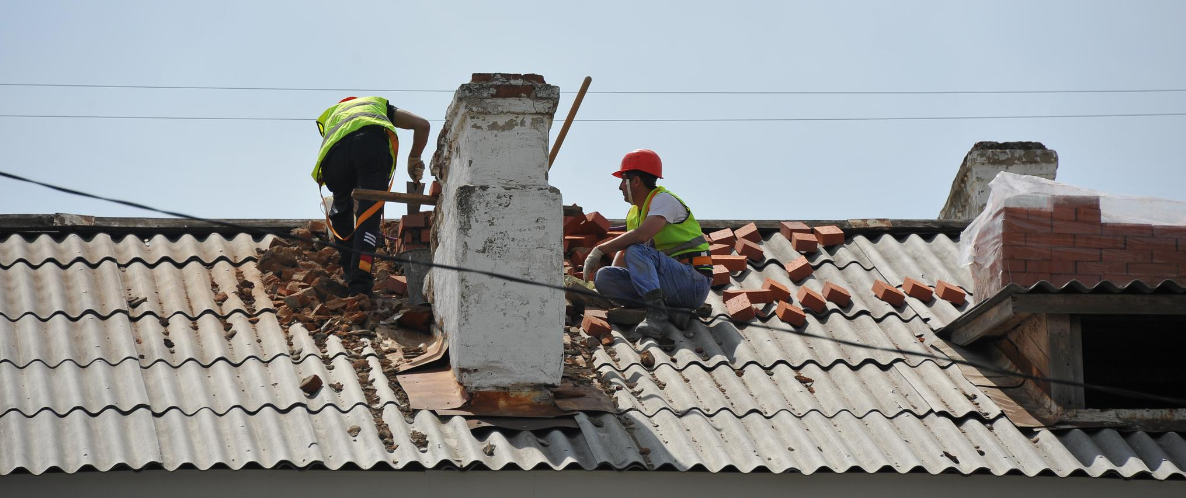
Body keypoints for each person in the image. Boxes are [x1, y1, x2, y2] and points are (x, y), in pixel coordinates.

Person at [583, 149, 713, 338]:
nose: (619, 187)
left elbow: (642, 236)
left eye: (623, 179)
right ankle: (671, 311)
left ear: (635, 181)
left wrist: (600, 249)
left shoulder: (664, 200)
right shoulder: (635, 213)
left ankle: (657, 316)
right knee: (605, 277)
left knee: (637, 249)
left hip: (692, 283)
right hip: (668, 287)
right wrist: (602, 289)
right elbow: (624, 254)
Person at [312, 96, 430, 296]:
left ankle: (351, 275)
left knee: (341, 214)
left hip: (333, 158)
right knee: (369, 212)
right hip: (370, 147)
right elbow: (422, 125)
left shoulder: (332, 114)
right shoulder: (376, 105)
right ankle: (360, 287)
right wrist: (414, 159)